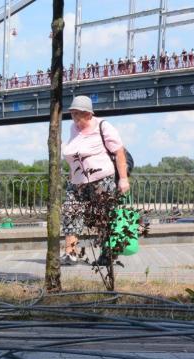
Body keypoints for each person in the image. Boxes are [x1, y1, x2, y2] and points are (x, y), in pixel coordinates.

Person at [60, 94, 130, 265]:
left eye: (78, 114)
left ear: (89, 114)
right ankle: (70, 253)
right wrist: (71, 177)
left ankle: (107, 255)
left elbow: (119, 152)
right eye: (73, 113)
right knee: (70, 213)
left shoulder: (103, 126)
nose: (75, 118)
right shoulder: (72, 128)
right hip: (77, 182)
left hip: (101, 180)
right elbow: (74, 155)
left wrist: (123, 179)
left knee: (102, 218)